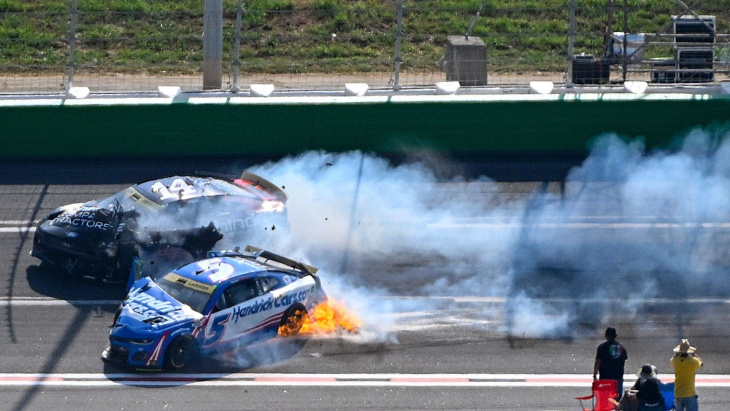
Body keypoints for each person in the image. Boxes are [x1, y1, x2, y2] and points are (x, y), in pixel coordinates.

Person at [593, 326, 628, 400]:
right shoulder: (622, 347)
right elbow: (623, 361)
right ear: (615, 336)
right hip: (618, 377)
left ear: (606, 335)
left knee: (604, 399)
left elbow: (598, 362)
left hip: (605, 377)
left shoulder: (602, 347)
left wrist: (595, 375)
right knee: (617, 400)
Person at [671, 338, 703, 411]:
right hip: (690, 393)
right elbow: (701, 364)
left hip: (678, 392)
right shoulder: (693, 361)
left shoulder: (675, 361)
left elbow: (673, 358)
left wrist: (677, 353)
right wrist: (694, 354)